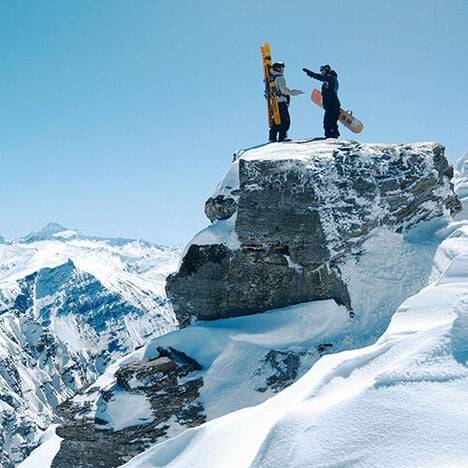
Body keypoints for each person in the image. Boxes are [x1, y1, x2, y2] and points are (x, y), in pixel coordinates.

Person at [269, 62, 304, 142]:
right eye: (282, 68)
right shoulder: (280, 78)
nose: (283, 70)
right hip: (281, 102)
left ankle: (272, 137)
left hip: (274, 102)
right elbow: (284, 90)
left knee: (277, 120)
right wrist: (296, 92)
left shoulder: (272, 79)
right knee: (285, 120)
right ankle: (283, 137)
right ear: (278, 68)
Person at [303, 64, 341, 139]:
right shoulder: (328, 80)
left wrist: (309, 73)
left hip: (332, 105)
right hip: (331, 105)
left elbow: (319, 77)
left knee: (329, 122)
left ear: (326, 70)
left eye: (322, 70)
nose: (321, 72)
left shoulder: (330, 78)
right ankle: (332, 135)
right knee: (329, 122)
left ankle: (332, 136)